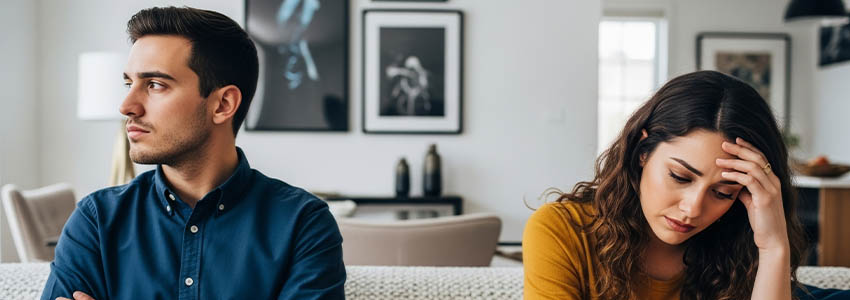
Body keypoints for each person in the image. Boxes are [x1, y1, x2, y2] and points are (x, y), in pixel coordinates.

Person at [42, 6, 345, 300]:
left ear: (223, 104)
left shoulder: (303, 224)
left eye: (155, 84)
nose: (126, 106)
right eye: (129, 83)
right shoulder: (96, 221)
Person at [523, 70, 827, 299]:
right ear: (643, 152)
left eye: (722, 193)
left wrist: (773, 247)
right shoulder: (562, 232)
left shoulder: (740, 250)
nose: (693, 209)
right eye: (680, 177)